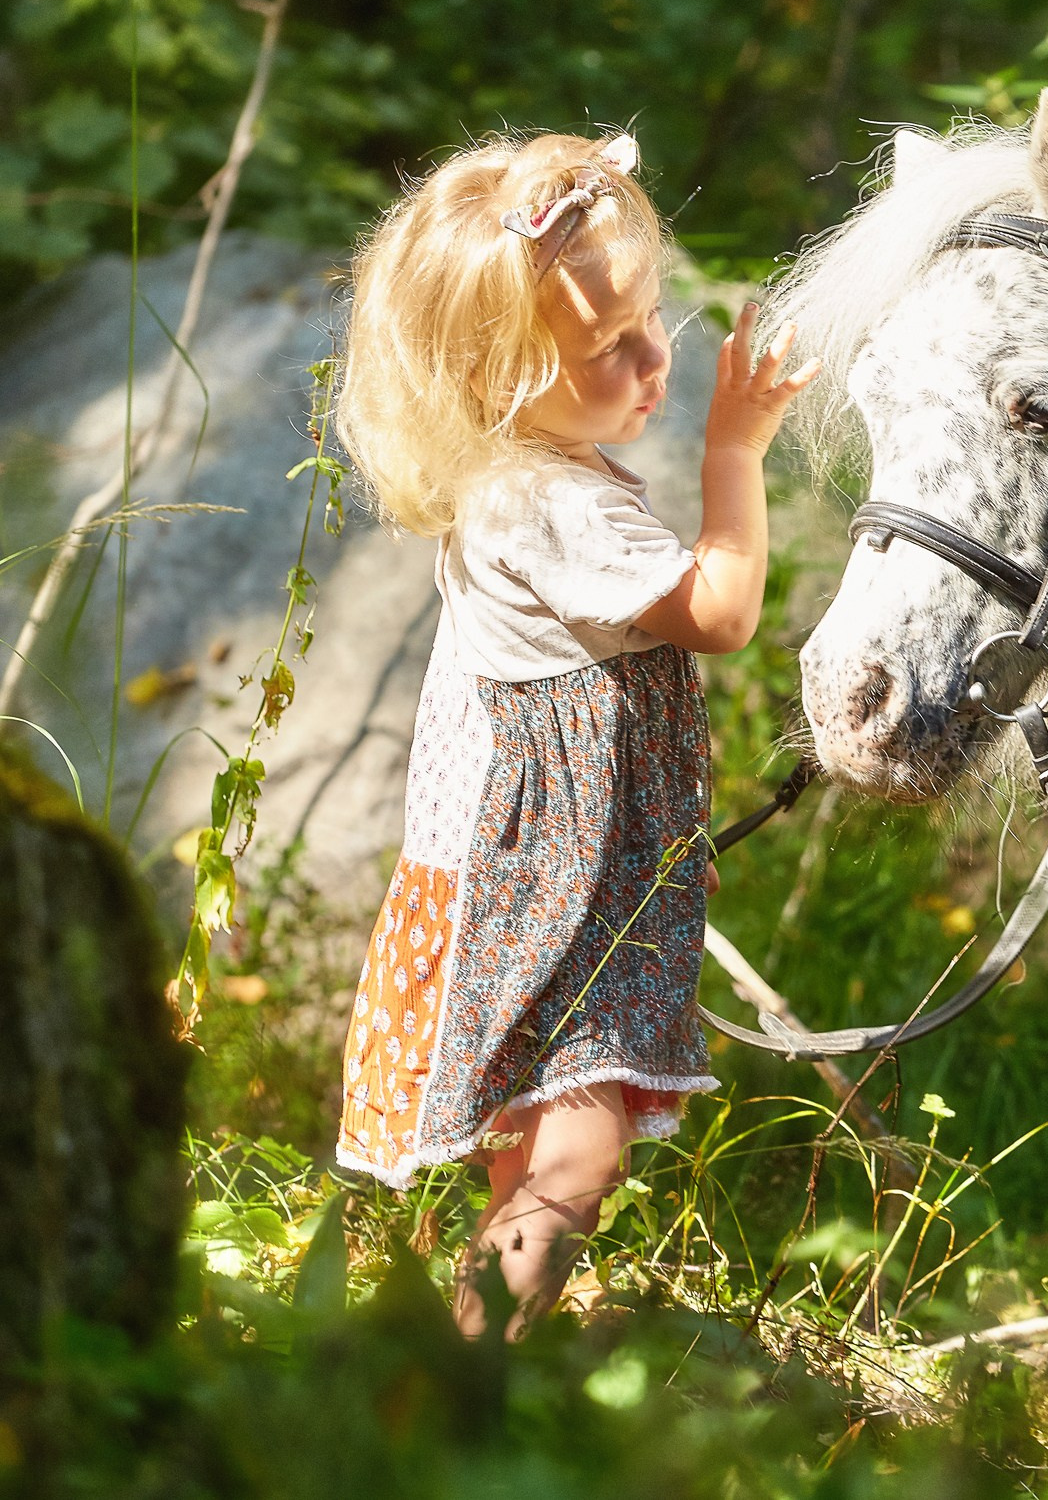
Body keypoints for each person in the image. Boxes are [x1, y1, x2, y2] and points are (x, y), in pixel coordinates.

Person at [329, 129, 815, 1335]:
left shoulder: (546, 471)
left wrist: (657, 841)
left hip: (555, 871)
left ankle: (462, 1359)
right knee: (575, 1154)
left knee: (536, 1160)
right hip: (531, 889)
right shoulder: (543, 499)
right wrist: (735, 449)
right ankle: (468, 1376)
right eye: (609, 347)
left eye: (655, 318)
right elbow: (719, 610)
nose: (657, 360)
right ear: (496, 380)